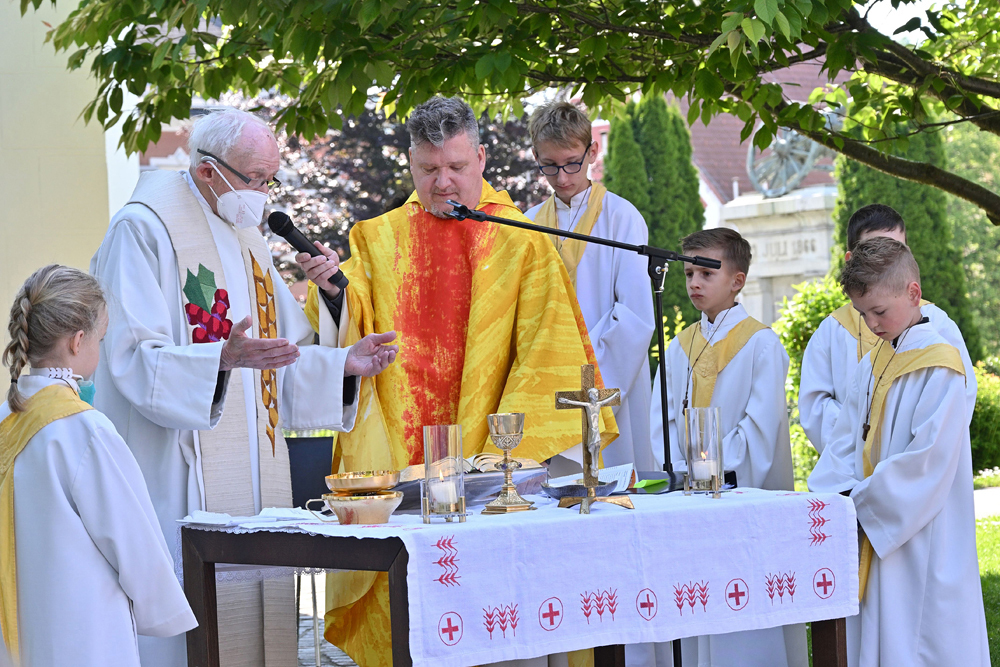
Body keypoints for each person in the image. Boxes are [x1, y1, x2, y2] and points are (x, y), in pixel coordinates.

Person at [299, 96, 618, 667]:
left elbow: (547, 351)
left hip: (492, 466)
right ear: (410, 164)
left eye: (456, 166)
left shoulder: (521, 240)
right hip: (402, 462)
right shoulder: (377, 239)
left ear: (482, 158)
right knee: (410, 625)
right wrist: (332, 293)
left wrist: (502, 454)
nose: (442, 182)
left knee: (498, 624)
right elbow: (352, 322)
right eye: (428, 169)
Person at [90, 108, 398, 667]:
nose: (262, 194)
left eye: (270, 179)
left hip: (258, 478)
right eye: (254, 178)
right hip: (180, 470)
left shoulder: (247, 237)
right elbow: (129, 357)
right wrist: (217, 362)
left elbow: (279, 356)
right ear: (208, 170)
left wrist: (342, 363)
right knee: (188, 634)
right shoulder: (143, 229)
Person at [0, 265, 197, 667]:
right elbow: (132, 540)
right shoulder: (85, 429)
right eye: (101, 339)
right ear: (77, 342)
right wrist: (162, 607)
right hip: (82, 634)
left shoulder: (5, 420)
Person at [808, 238, 990, 666]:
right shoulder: (874, 362)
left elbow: (927, 460)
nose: (871, 324)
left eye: (879, 311)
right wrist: (836, 493)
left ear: (912, 293)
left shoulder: (941, 365)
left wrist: (860, 502)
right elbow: (844, 440)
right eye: (862, 314)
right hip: (874, 522)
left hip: (922, 530)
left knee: (922, 634)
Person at [636, 228, 804, 667]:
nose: (694, 283)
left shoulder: (762, 344)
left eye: (706, 273)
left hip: (741, 499)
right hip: (689, 502)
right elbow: (661, 423)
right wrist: (679, 467)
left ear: (737, 280)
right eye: (689, 273)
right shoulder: (680, 347)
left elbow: (759, 429)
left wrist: (707, 468)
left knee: (743, 611)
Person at [524, 101, 655, 476]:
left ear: (592, 151)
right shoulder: (528, 224)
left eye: (572, 163)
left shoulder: (622, 217)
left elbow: (634, 315)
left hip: (608, 380)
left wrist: (583, 373)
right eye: (549, 166)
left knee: (613, 481)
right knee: (558, 490)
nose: (562, 177)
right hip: (548, 382)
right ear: (536, 157)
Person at [799, 203, 976, 454]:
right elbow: (815, 406)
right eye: (874, 250)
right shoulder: (831, 331)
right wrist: (860, 445)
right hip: (850, 462)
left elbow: (961, 396)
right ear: (851, 260)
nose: (887, 258)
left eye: (896, 249)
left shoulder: (938, 323)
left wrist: (905, 445)